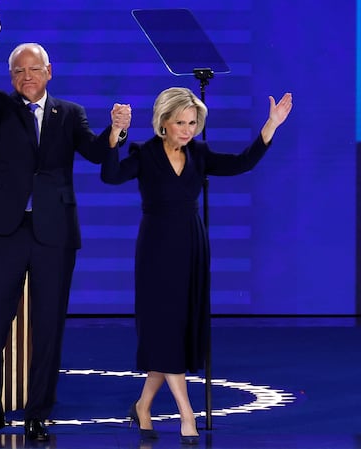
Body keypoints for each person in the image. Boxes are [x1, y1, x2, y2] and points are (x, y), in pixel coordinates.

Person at [0, 8, 132, 442]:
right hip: (6, 229)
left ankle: (37, 413)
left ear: (49, 72)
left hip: (54, 232)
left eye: (34, 69)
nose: (27, 76)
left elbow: (95, 152)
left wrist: (116, 132)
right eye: (18, 71)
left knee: (48, 324)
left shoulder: (69, 113)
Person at [99, 87, 293, 444]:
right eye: (180, 123)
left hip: (191, 246)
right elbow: (110, 176)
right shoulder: (144, 154)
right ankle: (187, 415)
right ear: (163, 123)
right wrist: (115, 134)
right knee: (164, 328)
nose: (187, 130)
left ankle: (143, 406)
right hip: (157, 249)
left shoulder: (199, 154)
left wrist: (271, 125)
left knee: (174, 332)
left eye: (192, 123)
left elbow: (241, 163)